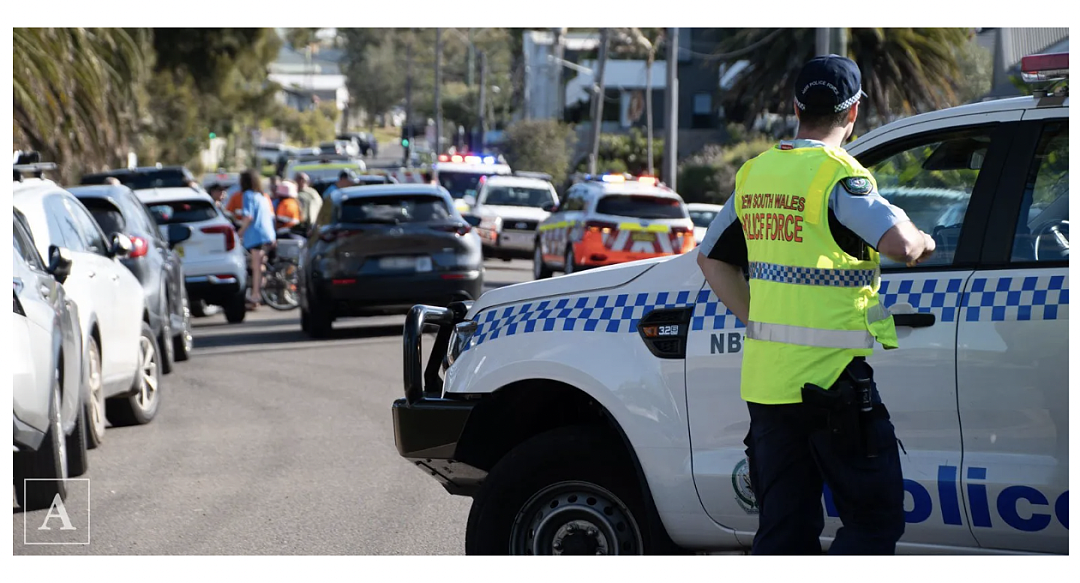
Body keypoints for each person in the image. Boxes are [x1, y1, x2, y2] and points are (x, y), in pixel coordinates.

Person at [696, 55, 936, 555]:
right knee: (873, 522)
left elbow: (711, 260)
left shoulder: (756, 174)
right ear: (852, 114)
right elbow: (901, 247)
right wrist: (923, 238)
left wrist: (756, 319)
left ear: (796, 107)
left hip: (768, 389)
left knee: (784, 535)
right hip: (833, 389)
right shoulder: (839, 176)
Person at [234, 169, 277, 311]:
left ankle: (255, 295)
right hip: (267, 233)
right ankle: (259, 293)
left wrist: (239, 233)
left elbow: (248, 217)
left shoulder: (247, 195)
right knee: (260, 265)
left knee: (256, 267)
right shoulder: (262, 196)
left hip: (256, 234)